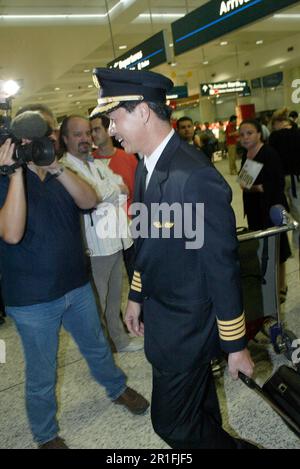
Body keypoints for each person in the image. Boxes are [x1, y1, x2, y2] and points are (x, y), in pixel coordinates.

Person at [90, 67, 255, 449]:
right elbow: (150, 243)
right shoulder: (148, 166)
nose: (112, 130)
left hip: (188, 325)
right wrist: (135, 296)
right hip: (163, 315)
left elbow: (221, 265)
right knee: (197, 410)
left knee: (171, 424)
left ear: (142, 112)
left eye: (115, 118)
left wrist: (235, 344)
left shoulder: (191, 175)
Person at [0, 107, 149, 449]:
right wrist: (15, 174)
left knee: (97, 347)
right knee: (41, 373)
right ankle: (45, 434)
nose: (35, 145)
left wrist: (54, 167)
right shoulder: (5, 178)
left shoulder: (59, 173)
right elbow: (10, 233)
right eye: (26, 140)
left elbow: (90, 199)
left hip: (76, 287)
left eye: (42, 137)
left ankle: (116, 388)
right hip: (32, 301)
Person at [59, 115, 142, 353]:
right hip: (94, 247)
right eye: (78, 134)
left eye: (88, 133)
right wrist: (109, 191)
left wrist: (109, 191)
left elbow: (121, 187)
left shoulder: (94, 163)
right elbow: (93, 197)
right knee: (98, 303)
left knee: (114, 298)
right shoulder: (66, 169)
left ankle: (120, 341)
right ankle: (100, 351)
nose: (86, 138)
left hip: (114, 240)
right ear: (65, 139)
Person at [239, 119, 291, 304]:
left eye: (249, 133)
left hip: (271, 207)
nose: (245, 137)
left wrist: (257, 188)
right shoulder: (247, 155)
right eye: (242, 134)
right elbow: (244, 183)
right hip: (255, 209)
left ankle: (281, 286)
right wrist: (251, 188)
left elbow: (277, 182)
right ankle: (268, 283)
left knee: (278, 248)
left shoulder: (268, 153)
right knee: (263, 248)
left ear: (259, 134)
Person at [90, 113, 138, 281]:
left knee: (136, 274)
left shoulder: (128, 158)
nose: (93, 135)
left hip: (129, 226)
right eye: (91, 131)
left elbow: (138, 193)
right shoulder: (89, 163)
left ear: (108, 130)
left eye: (97, 129)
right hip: (103, 232)